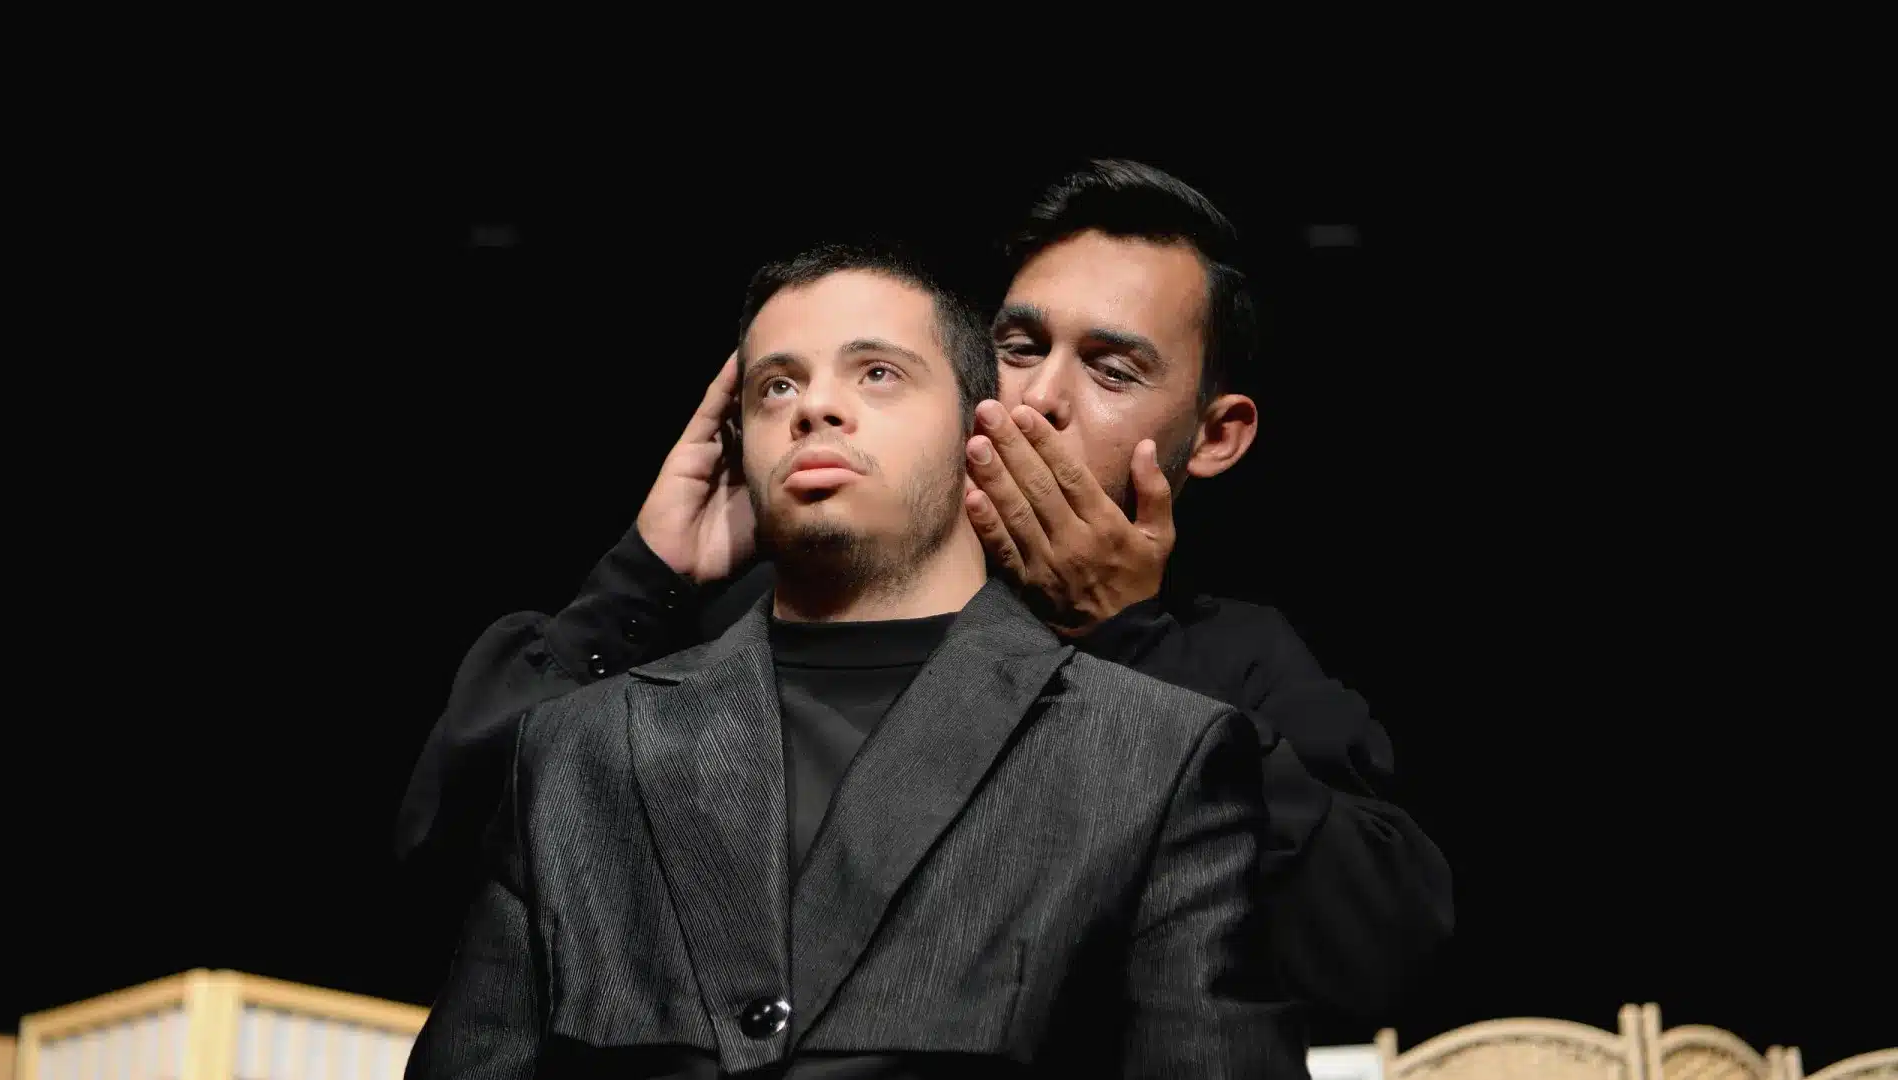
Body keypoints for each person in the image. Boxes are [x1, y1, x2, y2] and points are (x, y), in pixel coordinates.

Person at [397, 160, 1450, 1019]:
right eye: (1019, 346)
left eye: (1112, 371)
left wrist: (1124, 633)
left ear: (1214, 437)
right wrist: (645, 575)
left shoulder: (1234, 660)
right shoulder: (767, 618)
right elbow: (458, 865)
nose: (1036, 400)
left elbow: (1373, 955)